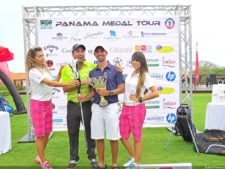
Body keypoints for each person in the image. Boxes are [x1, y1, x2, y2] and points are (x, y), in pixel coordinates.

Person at [25, 47, 79, 169]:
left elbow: (53, 82)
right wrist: (69, 83)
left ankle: (39, 156)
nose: (42, 57)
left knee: (47, 132)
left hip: (47, 103)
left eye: (42, 55)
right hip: (38, 105)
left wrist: (59, 72)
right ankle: (43, 162)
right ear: (33, 59)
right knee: (40, 135)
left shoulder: (45, 69)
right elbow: (50, 83)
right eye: (39, 56)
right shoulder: (33, 72)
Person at [60, 44, 99, 169]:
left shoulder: (92, 67)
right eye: (77, 51)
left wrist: (90, 82)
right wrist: (79, 83)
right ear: (73, 54)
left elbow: (100, 80)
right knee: (72, 132)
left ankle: (92, 157)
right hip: (72, 105)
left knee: (89, 132)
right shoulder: (67, 68)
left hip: (87, 104)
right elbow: (65, 88)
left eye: (82, 51)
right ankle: (73, 158)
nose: (80, 54)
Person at [119, 51, 159, 168]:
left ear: (142, 62)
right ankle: (133, 157)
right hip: (125, 108)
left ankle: (136, 163)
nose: (135, 62)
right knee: (123, 136)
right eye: (133, 59)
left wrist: (140, 99)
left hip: (137, 109)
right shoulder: (131, 73)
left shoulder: (145, 75)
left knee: (137, 137)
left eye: (137, 60)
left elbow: (156, 93)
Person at [89, 46, 125, 169]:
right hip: (97, 106)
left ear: (106, 53)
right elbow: (93, 91)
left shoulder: (116, 70)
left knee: (113, 136)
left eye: (102, 51)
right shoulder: (92, 72)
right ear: (95, 55)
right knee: (98, 136)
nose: (100, 53)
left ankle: (114, 163)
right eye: (97, 52)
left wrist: (108, 93)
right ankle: (101, 162)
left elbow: (122, 88)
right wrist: (84, 97)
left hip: (111, 105)